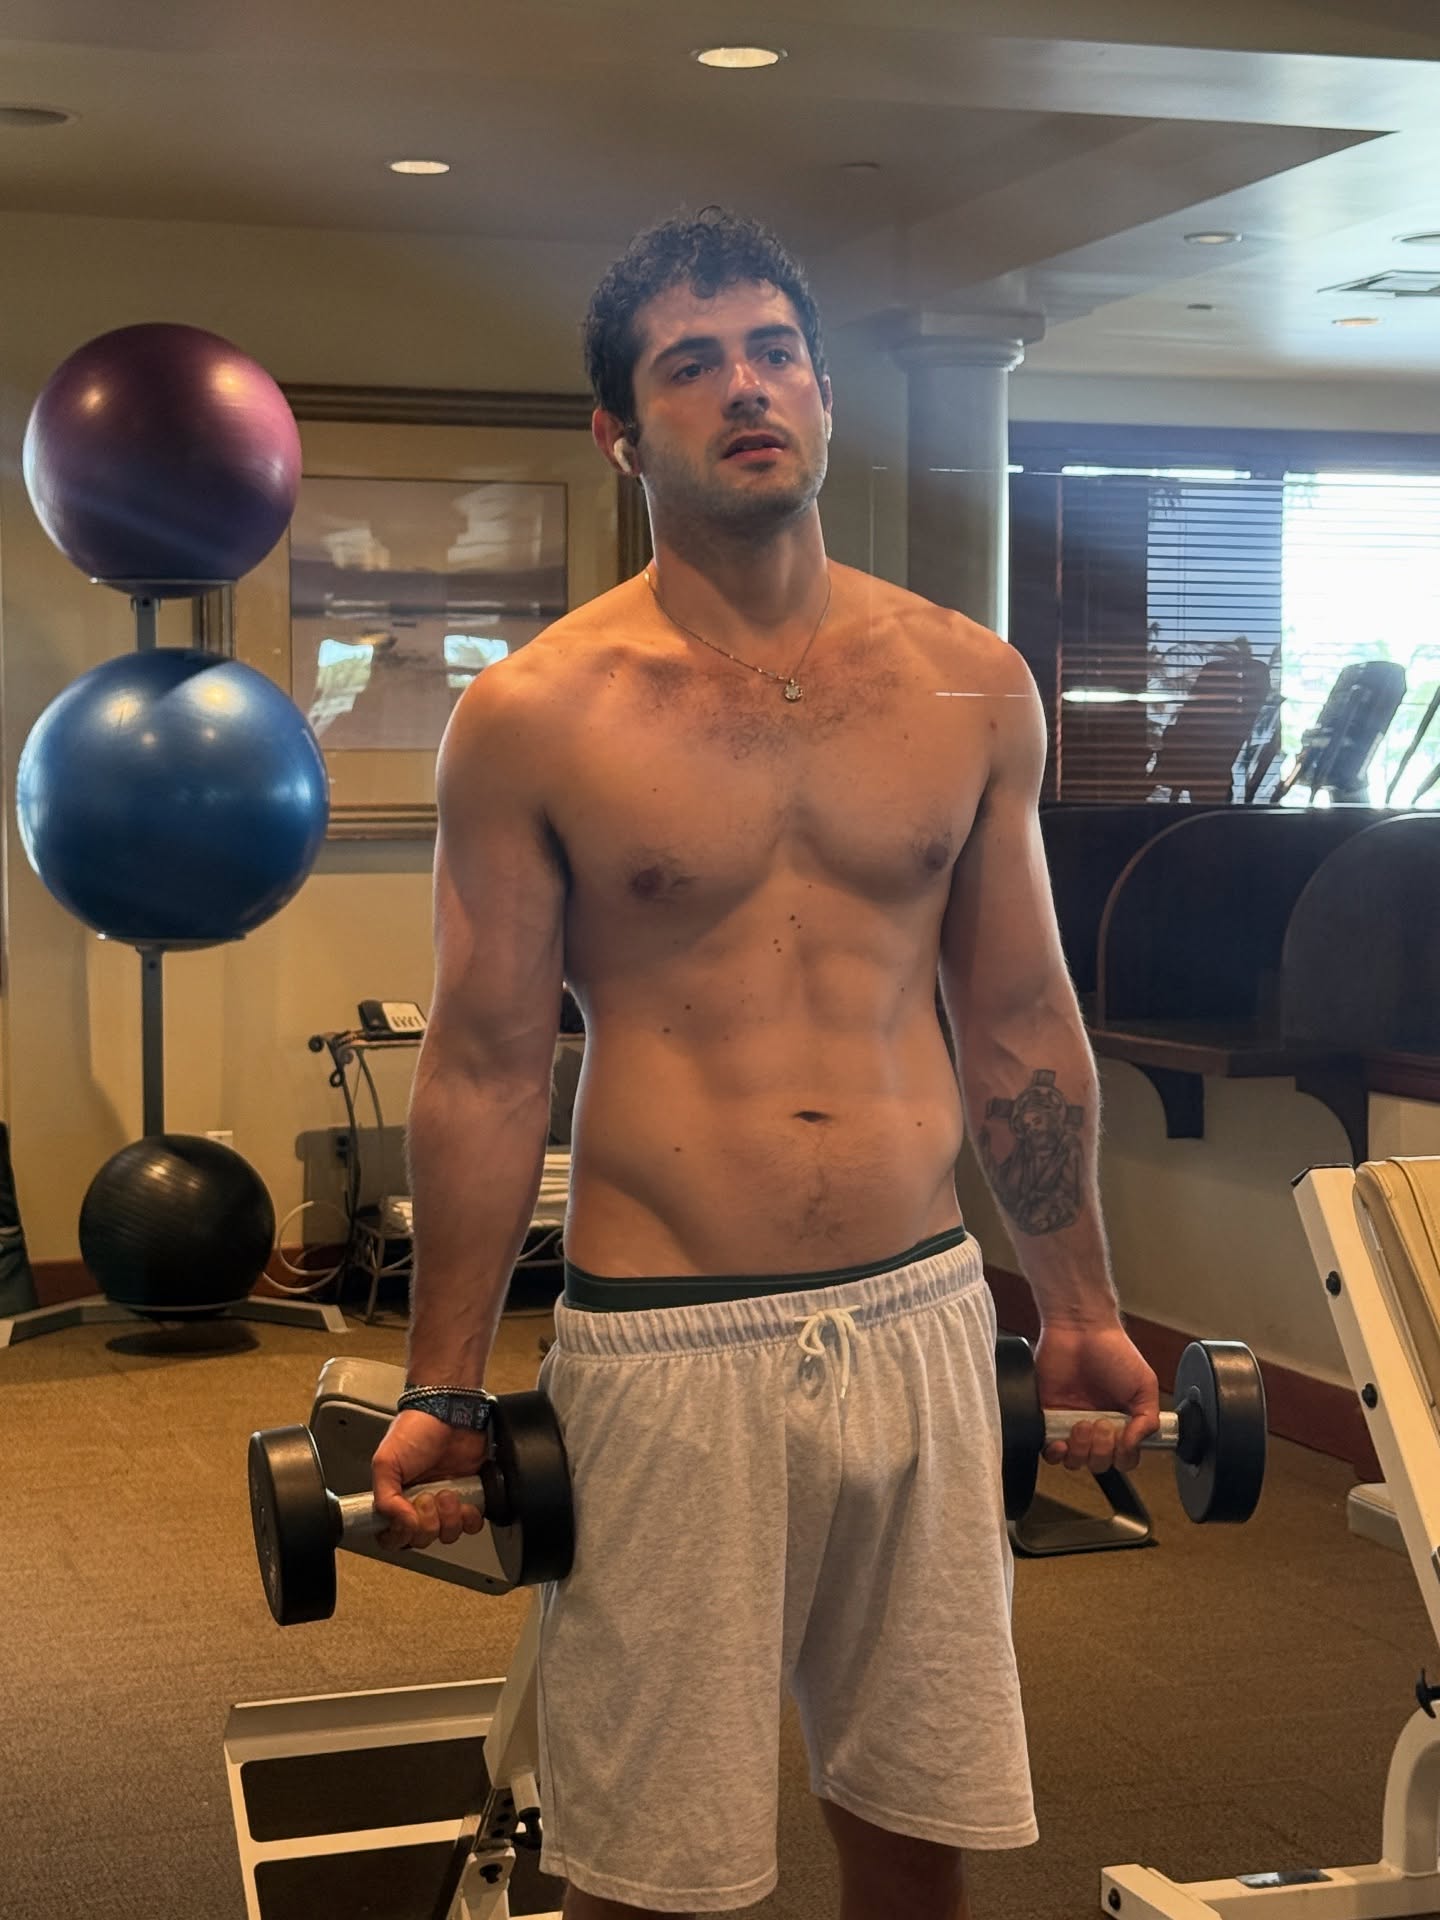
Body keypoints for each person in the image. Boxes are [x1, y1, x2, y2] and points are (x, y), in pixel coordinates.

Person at [372, 207, 1161, 1920]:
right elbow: (489, 1065)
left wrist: (1081, 1302)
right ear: (620, 430)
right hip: (669, 1343)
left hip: (923, 1313)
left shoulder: (970, 687)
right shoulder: (536, 715)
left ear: (821, 393)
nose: (747, 387)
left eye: (776, 352)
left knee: (918, 1819)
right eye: (693, 364)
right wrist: (444, 1385)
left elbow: (1020, 1019)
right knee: (653, 1864)